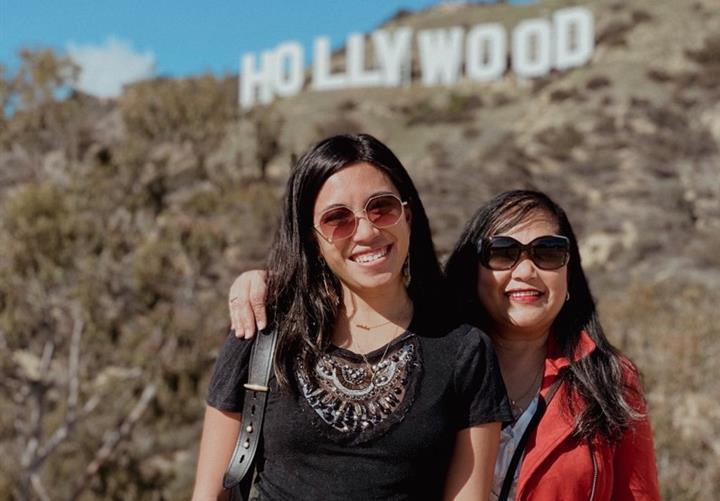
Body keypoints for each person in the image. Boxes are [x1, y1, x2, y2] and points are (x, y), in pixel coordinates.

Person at [228, 189, 661, 500]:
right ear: (473, 270)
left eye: (548, 252)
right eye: (503, 252)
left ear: (570, 274)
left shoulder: (609, 379)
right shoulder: (429, 358)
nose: (526, 271)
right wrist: (270, 284)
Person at [193, 134, 512, 500]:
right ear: (312, 240)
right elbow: (208, 495)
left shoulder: (464, 350)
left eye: (382, 208)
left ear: (407, 215)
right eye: (337, 219)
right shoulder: (263, 332)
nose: (367, 231)